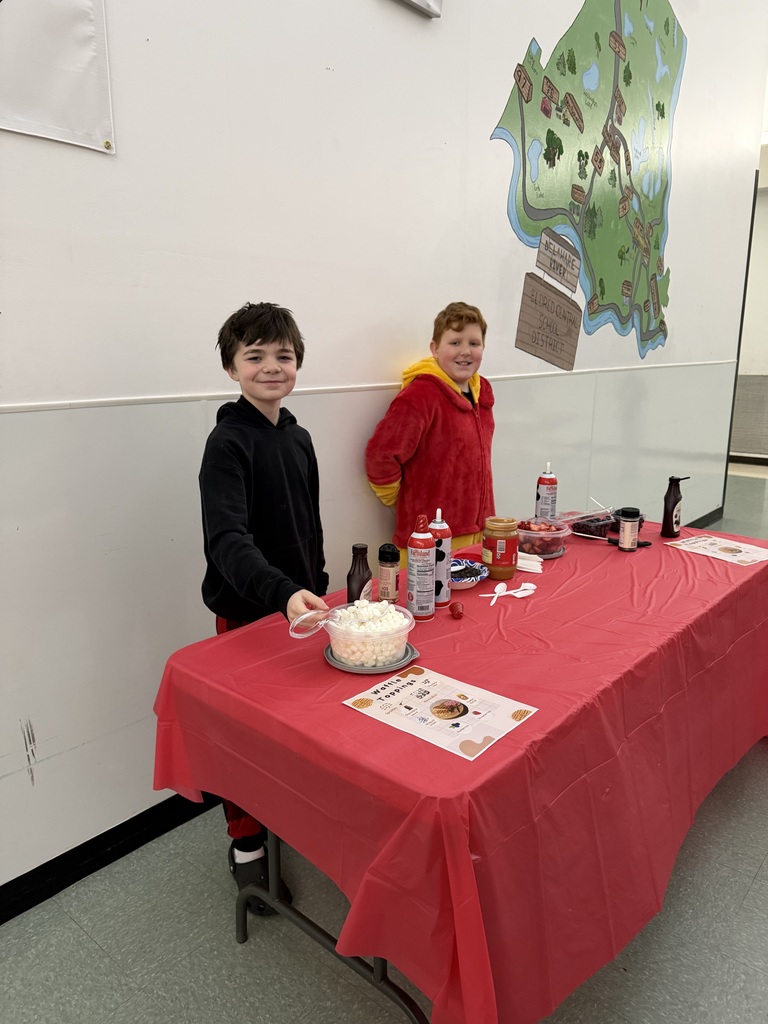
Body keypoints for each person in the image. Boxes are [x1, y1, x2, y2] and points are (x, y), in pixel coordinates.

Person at [199, 301, 329, 913]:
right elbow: (227, 542)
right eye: (255, 356)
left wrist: (321, 586)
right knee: (244, 740)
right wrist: (279, 593)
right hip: (248, 615)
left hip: (302, 609)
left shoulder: (299, 438)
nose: (271, 367)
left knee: (297, 728)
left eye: (283, 355)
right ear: (231, 367)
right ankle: (247, 846)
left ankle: (291, 819)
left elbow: (310, 524)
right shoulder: (226, 445)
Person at [365, 301, 496, 555]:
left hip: (479, 530)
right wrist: (402, 500)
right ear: (435, 349)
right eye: (455, 342)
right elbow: (380, 457)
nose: (465, 351)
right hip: (427, 539)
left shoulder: (483, 393)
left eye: (474, 343)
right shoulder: (420, 396)